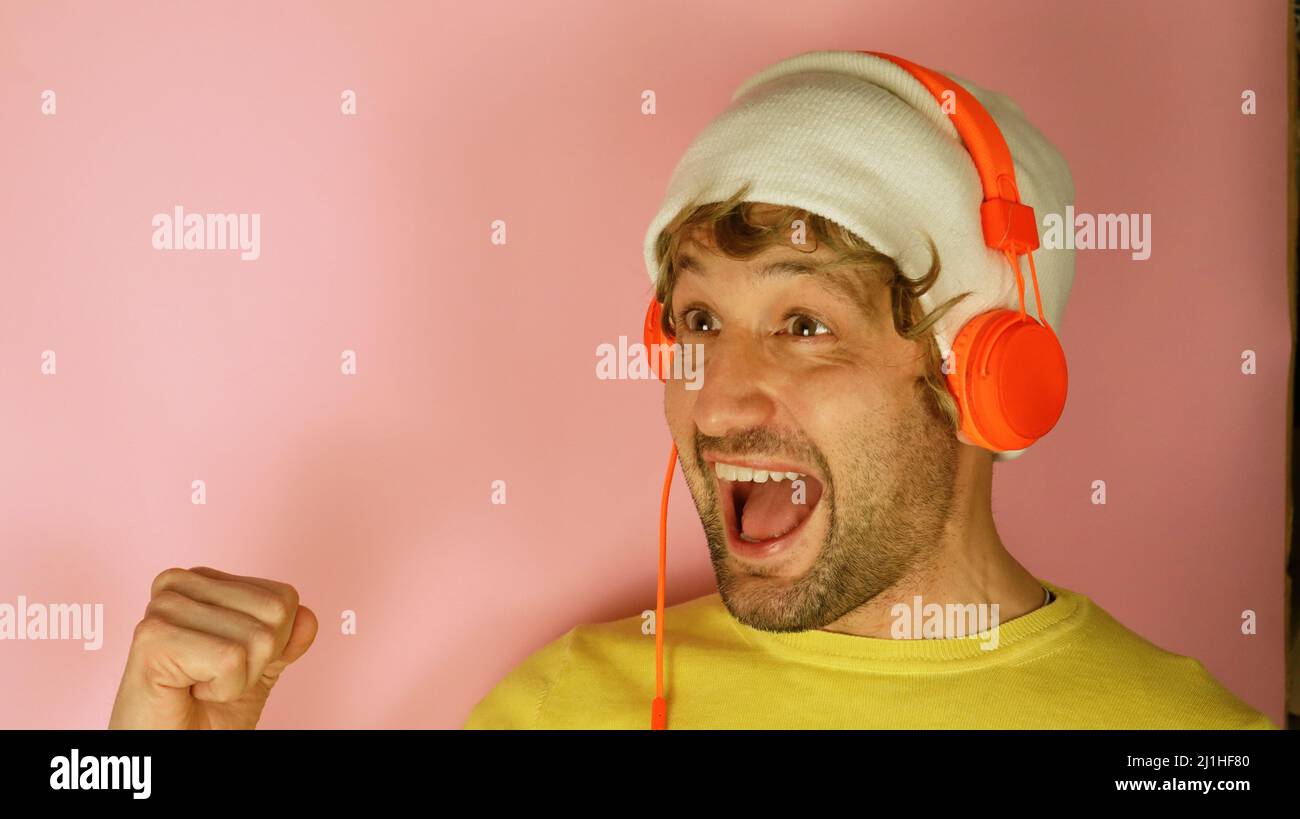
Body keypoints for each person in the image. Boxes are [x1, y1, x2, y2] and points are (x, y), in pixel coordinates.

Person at [464, 50, 1276, 729]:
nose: (713, 402)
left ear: (987, 377)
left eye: (805, 326)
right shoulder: (562, 707)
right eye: (701, 321)